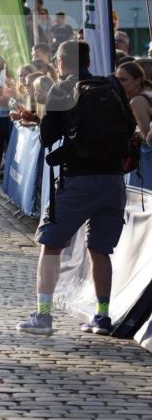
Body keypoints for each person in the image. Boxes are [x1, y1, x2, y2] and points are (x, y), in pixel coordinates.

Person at [16, 40, 136, 337]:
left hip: (79, 180)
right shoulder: (111, 85)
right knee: (100, 250)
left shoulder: (61, 88)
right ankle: (103, 316)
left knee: (51, 244)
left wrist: (40, 111)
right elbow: (128, 125)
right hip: (113, 181)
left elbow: (47, 137)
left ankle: (43, 316)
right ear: (87, 60)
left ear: (60, 63)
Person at [115, 60, 152, 139]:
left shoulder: (137, 101)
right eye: (117, 80)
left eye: (123, 80)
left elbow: (147, 137)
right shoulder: (146, 92)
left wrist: (134, 131)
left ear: (137, 81)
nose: (119, 83)